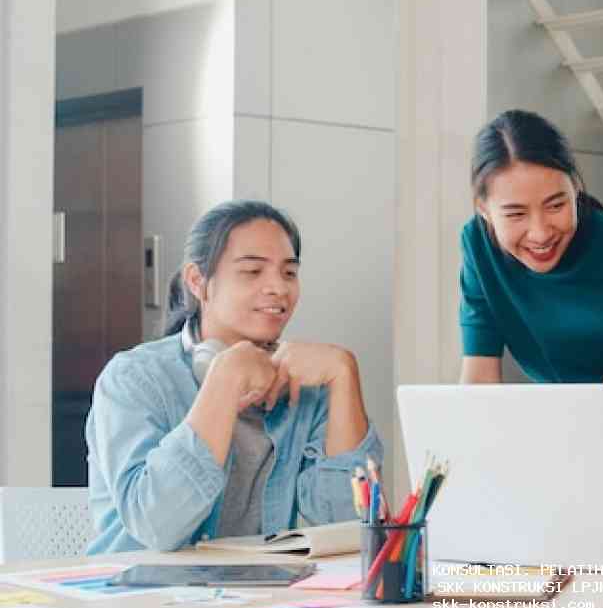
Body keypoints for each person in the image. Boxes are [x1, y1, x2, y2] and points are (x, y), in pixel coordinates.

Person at [86, 200, 383, 553]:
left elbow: (352, 527)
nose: (278, 288)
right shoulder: (134, 378)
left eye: (289, 272)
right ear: (198, 282)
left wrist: (343, 374)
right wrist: (223, 381)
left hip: (256, 595)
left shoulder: (307, 385)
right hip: (140, 597)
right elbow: (156, 526)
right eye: (253, 271)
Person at [459, 109, 603, 383]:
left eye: (556, 205)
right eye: (516, 214)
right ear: (483, 209)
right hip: (558, 416)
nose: (539, 234)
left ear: (575, 187)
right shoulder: (479, 247)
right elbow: (479, 380)